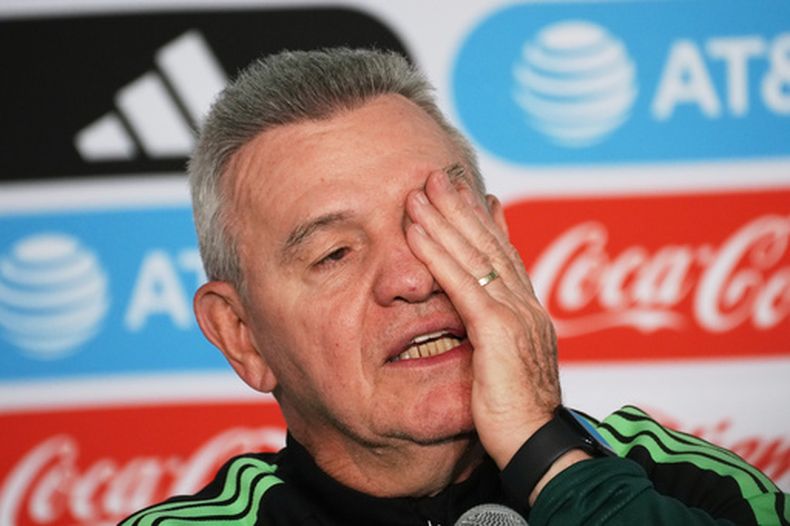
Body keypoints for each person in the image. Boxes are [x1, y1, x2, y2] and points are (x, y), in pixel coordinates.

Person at [121, 48, 787, 525]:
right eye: (334, 254)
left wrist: (548, 456)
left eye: (436, 224)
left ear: (501, 245)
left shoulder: (690, 486)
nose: (413, 279)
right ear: (242, 338)